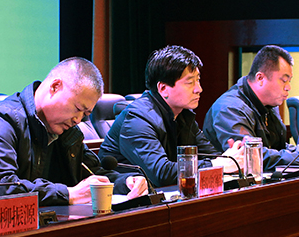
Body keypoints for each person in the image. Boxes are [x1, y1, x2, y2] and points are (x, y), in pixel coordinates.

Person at [0, 58, 147, 220]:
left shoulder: (67, 131)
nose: (78, 119)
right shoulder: (1, 120)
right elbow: (3, 190)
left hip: (35, 229)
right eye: (77, 108)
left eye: (85, 114)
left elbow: (93, 175)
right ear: (55, 87)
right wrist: (69, 194)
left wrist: (126, 182)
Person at [100, 45, 245, 186]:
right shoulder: (137, 119)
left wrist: (232, 157)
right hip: (122, 195)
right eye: (190, 82)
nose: (198, 89)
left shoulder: (183, 115)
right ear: (163, 88)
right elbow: (161, 174)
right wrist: (218, 164)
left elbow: (210, 155)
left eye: (198, 80)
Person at [202, 45, 299, 170]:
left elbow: (277, 148)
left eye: (289, 81)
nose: (288, 87)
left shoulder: (269, 105)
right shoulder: (230, 108)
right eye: (283, 80)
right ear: (260, 78)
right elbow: (251, 155)